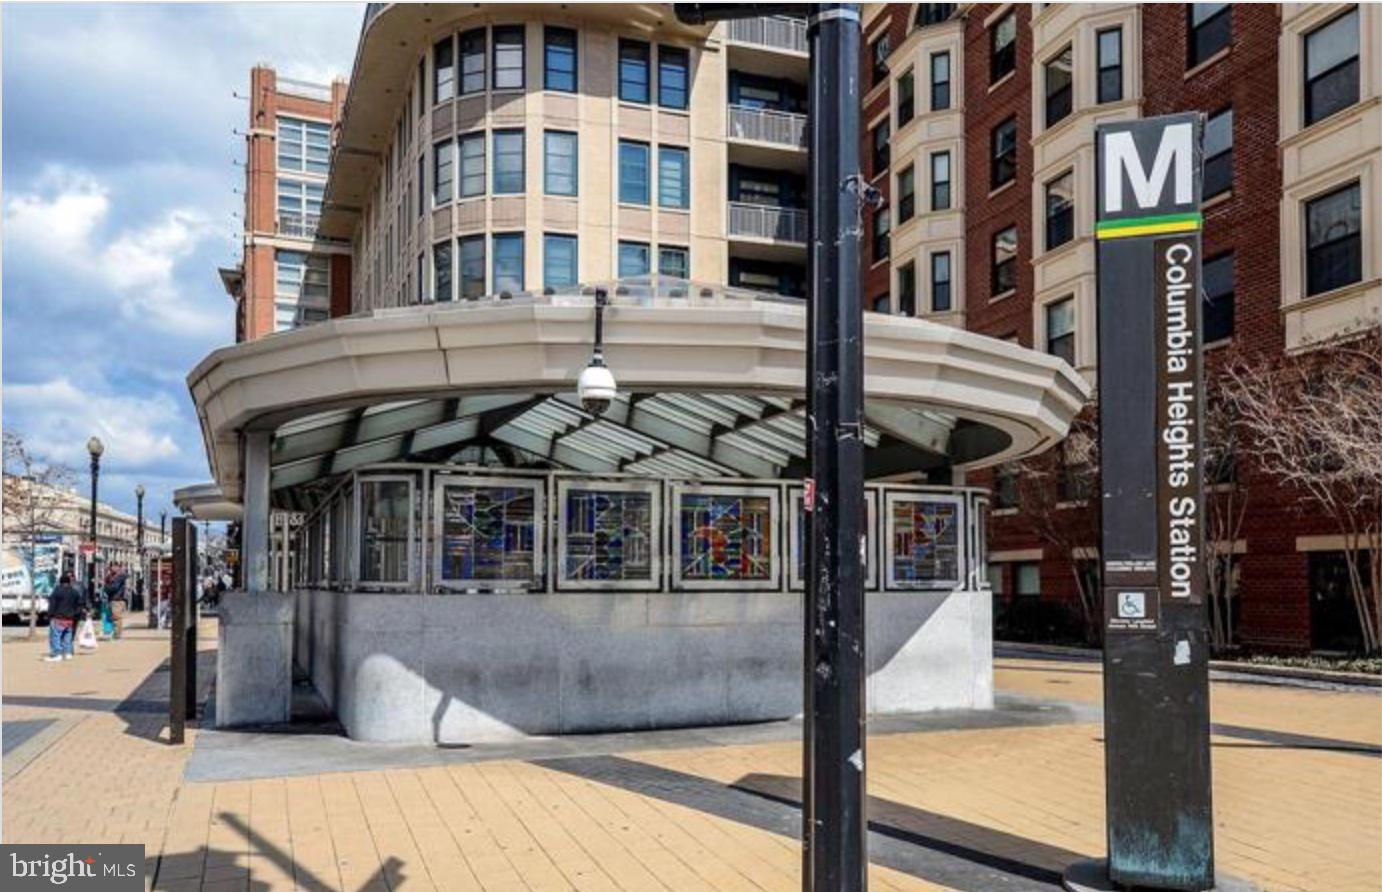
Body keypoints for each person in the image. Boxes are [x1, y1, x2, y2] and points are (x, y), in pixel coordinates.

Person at [45, 573, 82, 662]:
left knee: (56, 636)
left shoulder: (57, 591)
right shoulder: (74, 592)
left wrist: (49, 615)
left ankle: (56, 654)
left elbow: (52, 604)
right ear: (69, 582)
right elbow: (79, 604)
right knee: (67, 636)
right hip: (70, 618)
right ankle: (68, 653)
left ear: (60, 582)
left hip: (58, 617)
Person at [104, 564, 129, 639]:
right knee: (114, 617)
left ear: (118, 568)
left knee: (117, 618)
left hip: (117, 600)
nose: (111, 569)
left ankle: (117, 635)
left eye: (113, 567)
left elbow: (114, 587)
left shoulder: (119, 577)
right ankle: (116, 633)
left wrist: (106, 587)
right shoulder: (113, 577)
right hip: (114, 599)